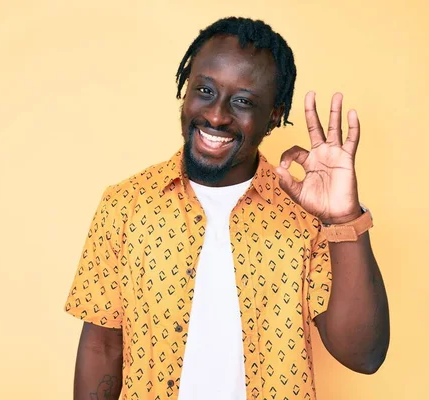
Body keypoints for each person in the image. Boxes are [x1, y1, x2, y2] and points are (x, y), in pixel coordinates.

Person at [64, 16, 390, 400]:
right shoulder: (126, 205)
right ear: (186, 91)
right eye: (204, 90)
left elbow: (364, 355)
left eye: (242, 101)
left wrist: (342, 220)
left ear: (274, 116)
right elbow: (102, 345)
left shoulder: (305, 217)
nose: (217, 115)